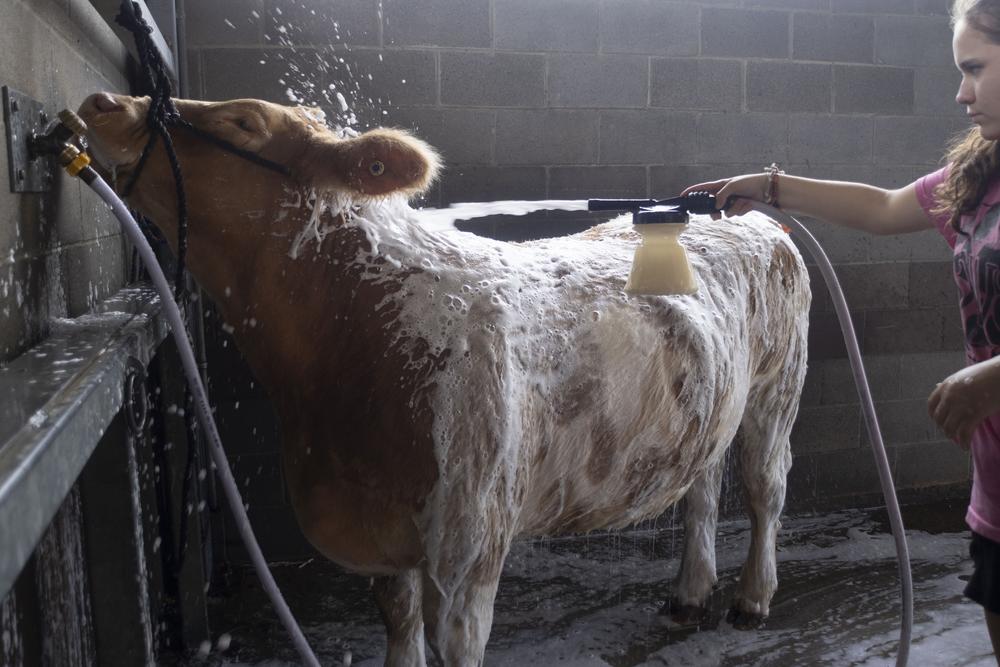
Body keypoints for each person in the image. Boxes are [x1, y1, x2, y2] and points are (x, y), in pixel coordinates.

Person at [682, 0, 1000, 656]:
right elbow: (883, 207)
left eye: (975, 69)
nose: (959, 92)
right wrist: (769, 185)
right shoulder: (980, 177)